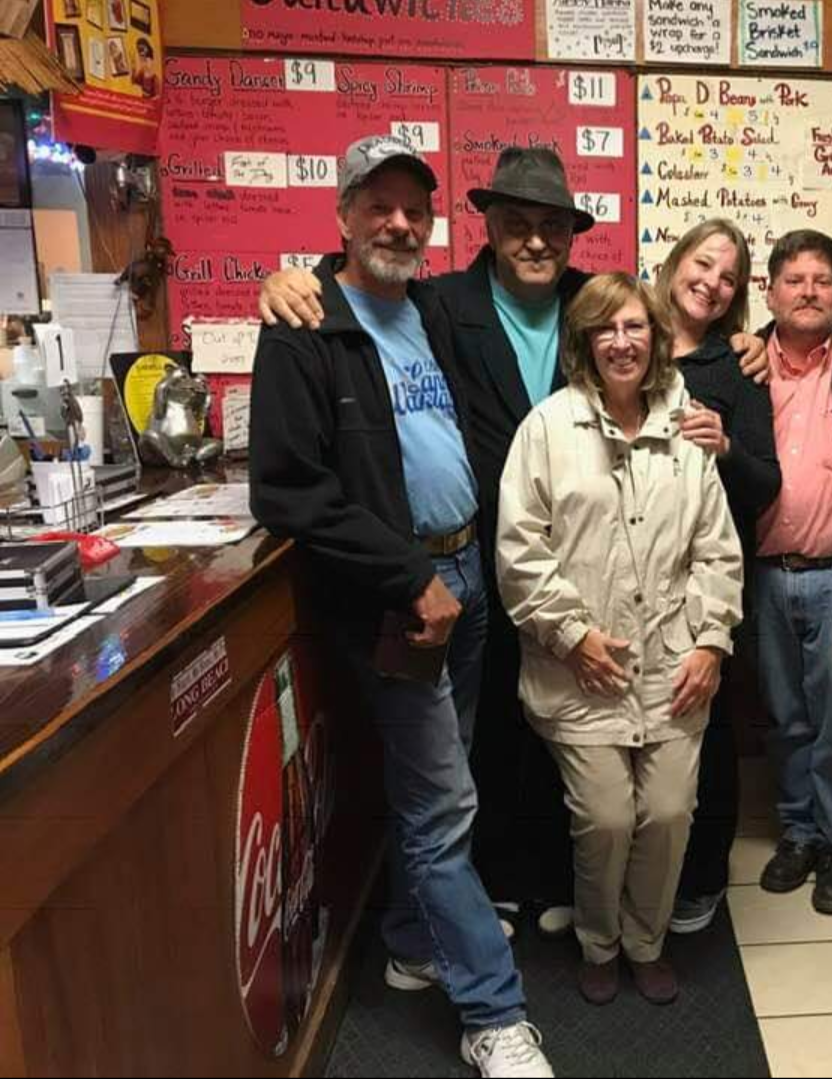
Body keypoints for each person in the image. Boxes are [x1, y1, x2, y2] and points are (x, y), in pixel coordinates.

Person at [257, 148, 765, 941]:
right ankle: (494, 886)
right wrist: (289, 280)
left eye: (552, 226)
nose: (535, 240)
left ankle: (565, 881)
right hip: (485, 558)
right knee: (488, 733)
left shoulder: (590, 301)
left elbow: (659, 329)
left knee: (568, 736)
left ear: (572, 235)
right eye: (518, 223)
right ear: (487, 227)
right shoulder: (439, 302)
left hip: (587, 557)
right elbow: (361, 292)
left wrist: (745, 341)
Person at [248, 134, 553, 1079]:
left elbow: (571, 291)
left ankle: (414, 938)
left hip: (467, 578)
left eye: (415, 210)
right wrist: (406, 575)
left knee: (444, 784)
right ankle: (493, 1012)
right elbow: (289, 491)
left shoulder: (432, 308)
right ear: (342, 215)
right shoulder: (305, 325)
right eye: (378, 206)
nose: (398, 223)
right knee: (442, 801)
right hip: (400, 600)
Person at [496, 273, 743, 1006]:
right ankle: (599, 943)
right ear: (584, 343)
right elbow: (519, 551)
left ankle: (646, 943)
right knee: (604, 819)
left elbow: (717, 550)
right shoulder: (546, 429)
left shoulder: (686, 430)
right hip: (581, 669)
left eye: (635, 326)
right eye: (605, 328)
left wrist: (711, 642)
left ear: (657, 339)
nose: (622, 341)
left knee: (667, 813)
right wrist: (572, 635)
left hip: (675, 666)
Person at [652, 219, 781, 934]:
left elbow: (766, 484)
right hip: (622, 576)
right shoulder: (625, 336)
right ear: (676, 263)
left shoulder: (738, 367)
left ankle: (702, 876)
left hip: (708, 585)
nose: (712, 283)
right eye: (703, 264)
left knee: (710, 729)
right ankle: (622, 873)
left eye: (729, 277)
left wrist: (727, 445)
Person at [752, 230, 832, 916]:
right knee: (784, 717)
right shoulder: (741, 363)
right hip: (762, 575)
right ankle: (798, 832)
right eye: (794, 279)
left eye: (822, 280)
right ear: (769, 291)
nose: (808, 291)